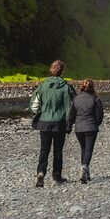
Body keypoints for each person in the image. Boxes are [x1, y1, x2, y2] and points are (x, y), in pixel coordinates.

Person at [31, 59, 76, 187]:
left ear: (51, 69)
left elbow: (34, 105)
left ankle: (40, 172)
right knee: (58, 150)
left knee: (44, 150)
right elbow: (73, 106)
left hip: (45, 122)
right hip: (59, 123)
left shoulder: (43, 86)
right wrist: (71, 122)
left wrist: (37, 114)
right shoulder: (67, 88)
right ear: (62, 71)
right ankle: (56, 177)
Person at [69, 78, 105, 183]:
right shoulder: (96, 99)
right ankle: (84, 168)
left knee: (83, 149)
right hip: (91, 127)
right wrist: (96, 123)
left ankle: (85, 173)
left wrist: (70, 125)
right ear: (92, 87)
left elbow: (71, 114)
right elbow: (99, 114)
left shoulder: (76, 98)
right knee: (89, 149)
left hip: (79, 128)